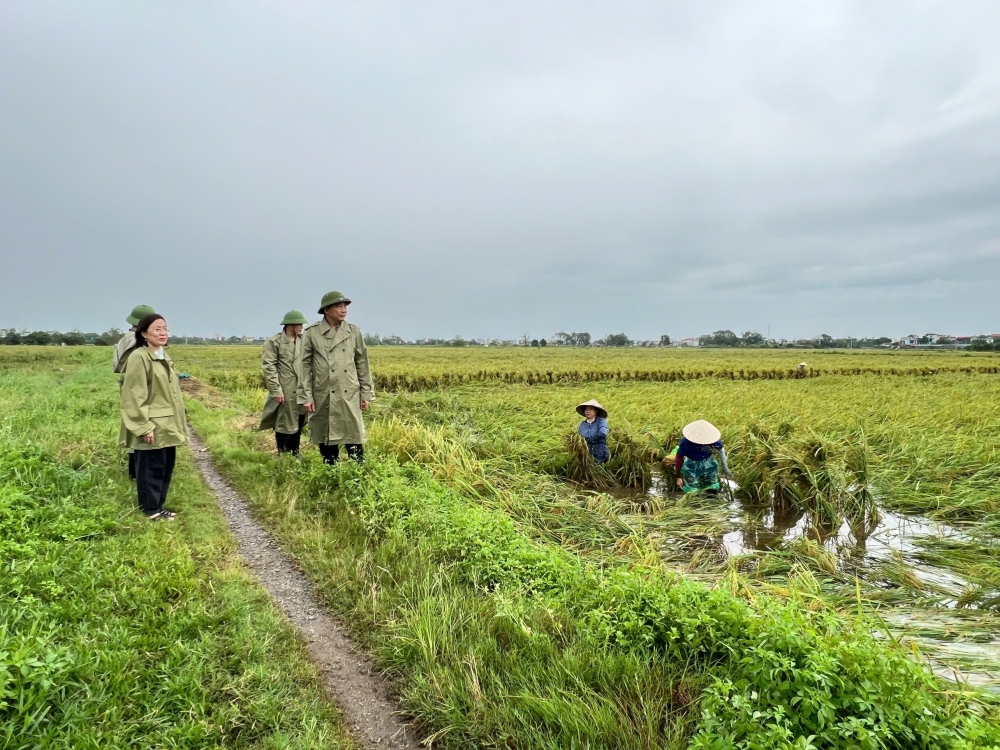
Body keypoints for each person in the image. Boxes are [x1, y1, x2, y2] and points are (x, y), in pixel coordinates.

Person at [120, 314, 188, 520]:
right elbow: (133, 395)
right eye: (157, 329)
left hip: (168, 423)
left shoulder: (163, 355)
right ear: (143, 333)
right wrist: (143, 426)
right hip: (153, 424)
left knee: (165, 467)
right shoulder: (139, 357)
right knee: (151, 468)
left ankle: (159, 506)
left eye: (165, 328)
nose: (163, 333)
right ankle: (150, 509)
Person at [300, 291, 375, 464]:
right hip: (323, 392)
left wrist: (366, 393)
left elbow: (362, 363)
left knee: (353, 434)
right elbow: (303, 367)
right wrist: (306, 396)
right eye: (339, 306)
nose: (344, 310)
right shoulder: (312, 333)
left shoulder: (353, 331)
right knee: (326, 434)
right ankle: (330, 474)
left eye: (345, 306)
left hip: (349, 391)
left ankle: (358, 474)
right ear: (326, 309)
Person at [114, 304, 156, 479]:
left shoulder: (124, 339)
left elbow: (117, 365)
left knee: (132, 419)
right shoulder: (139, 341)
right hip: (140, 384)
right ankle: (140, 471)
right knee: (144, 420)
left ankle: (134, 470)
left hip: (125, 383)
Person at [259, 310, 308, 455]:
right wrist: (276, 390)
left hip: (301, 389)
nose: (301, 327)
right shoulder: (274, 342)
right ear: (290, 325)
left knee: (298, 423)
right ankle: (283, 454)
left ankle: (295, 453)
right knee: (284, 424)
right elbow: (269, 367)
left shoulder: (304, 341)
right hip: (285, 389)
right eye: (299, 324)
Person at [674, 419, 730, 495]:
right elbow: (679, 458)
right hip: (692, 466)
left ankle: (711, 503)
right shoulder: (685, 442)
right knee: (692, 490)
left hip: (709, 464)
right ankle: (695, 503)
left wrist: (725, 467)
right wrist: (678, 477)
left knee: (711, 487)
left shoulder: (712, 439)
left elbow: (721, 449)